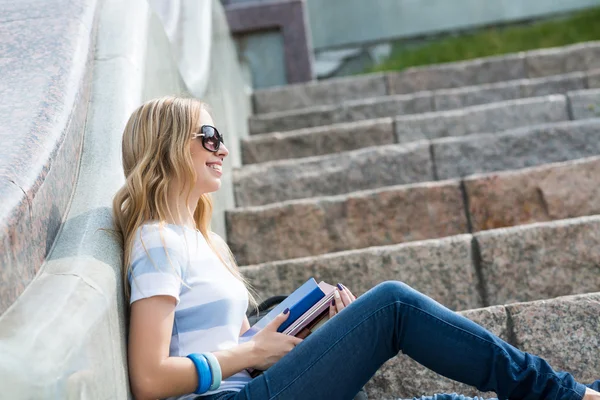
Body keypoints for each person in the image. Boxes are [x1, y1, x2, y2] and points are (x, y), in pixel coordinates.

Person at [112, 96, 600, 400]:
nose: (221, 149)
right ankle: (560, 393)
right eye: (209, 136)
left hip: (253, 385)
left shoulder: (205, 241)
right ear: (171, 146)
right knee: (392, 305)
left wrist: (312, 329)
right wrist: (251, 352)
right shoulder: (155, 242)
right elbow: (151, 378)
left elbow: (234, 342)